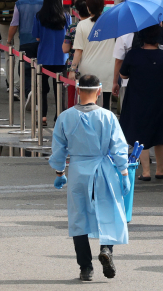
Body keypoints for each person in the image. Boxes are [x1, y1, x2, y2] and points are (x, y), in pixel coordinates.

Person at [49, 74, 129, 281]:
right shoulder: (108, 117)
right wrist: (124, 172)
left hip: (77, 171)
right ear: (99, 91)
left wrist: (60, 172)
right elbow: (119, 147)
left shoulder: (65, 117)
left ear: (77, 90)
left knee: (78, 218)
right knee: (108, 210)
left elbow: (58, 149)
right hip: (103, 169)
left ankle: (85, 268)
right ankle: (106, 249)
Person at [117, 24, 163, 181]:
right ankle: (160, 169)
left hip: (137, 98)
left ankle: (146, 171)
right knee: (160, 132)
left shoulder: (133, 55)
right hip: (159, 98)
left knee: (139, 132)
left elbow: (123, 75)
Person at [71, 0, 116, 109]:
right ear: (103, 6)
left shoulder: (81, 25)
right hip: (108, 69)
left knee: (87, 104)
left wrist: (72, 69)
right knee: (106, 105)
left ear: (88, 7)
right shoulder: (112, 23)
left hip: (88, 70)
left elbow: (78, 51)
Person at [33, 0, 70, 126]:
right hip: (61, 57)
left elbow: (37, 37)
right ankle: (59, 116)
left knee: (41, 89)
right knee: (60, 89)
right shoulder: (66, 16)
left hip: (44, 57)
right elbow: (69, 36)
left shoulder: (38, 16)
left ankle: (42, 116)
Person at [8, 0, 43, 94]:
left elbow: (14, 24)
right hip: (41, 41)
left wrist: (9, 40)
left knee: (25, 68)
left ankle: (28, 92)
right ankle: (39, 90)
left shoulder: (19, 4)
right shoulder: (43, 4)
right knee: (41, 67)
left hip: (25, 40)